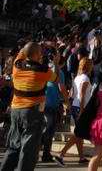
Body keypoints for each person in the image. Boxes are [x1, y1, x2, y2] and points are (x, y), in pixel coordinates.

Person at [0, 42, 58, 171]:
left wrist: (38, 45)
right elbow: (56, 79)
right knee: (29, 151)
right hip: (32, 112)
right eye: (40, 52)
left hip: (15, 110)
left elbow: (24, 51)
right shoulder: (43, 70)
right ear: (37, 54)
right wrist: (57, 62)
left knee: (13, 146)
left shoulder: (17, 65)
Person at [55, 57, 93, 166]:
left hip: (76, 106)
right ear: (88, 66)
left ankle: (81, 157)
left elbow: (73, 93)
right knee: (78, 134)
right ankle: (61, 155)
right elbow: (81, 94)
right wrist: (82, 110)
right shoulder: (85, 78)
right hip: (81, 108)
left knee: (79, 134)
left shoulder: (77, 77)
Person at [41, 50, 68, 163]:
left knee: (48, 129)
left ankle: (46, 154)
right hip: (52, 104)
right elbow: (61, 88)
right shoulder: (58, 72)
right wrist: (67, 102)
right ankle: (43, 152)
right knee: (49, 130)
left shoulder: (45, 69)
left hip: (44, 103)